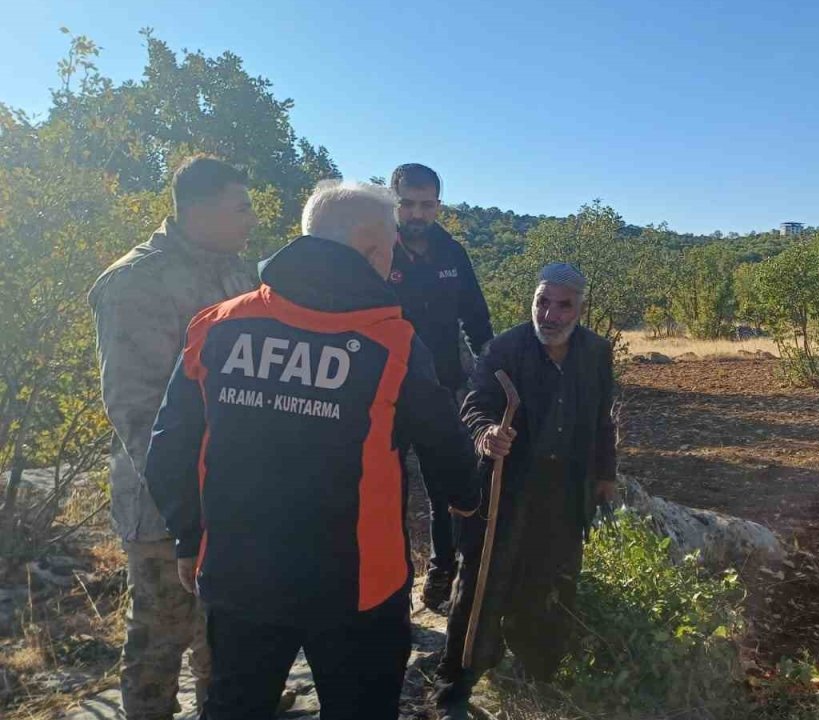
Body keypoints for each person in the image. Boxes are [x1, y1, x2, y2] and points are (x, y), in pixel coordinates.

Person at [144, 182, 481, 720]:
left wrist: (190, 535)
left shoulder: (218, 325)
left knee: (235, 707)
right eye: (390, 247)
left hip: (239, 575)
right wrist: (467, 501)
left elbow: (168, 447)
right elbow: (445, 445)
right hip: (359, 586)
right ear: (373, 249)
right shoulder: (392, 341)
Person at [89, 156, 258, 719]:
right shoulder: (136, 281)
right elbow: (135, 411)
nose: (251, 219)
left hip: (233, 496)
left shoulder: (238, 272)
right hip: (165, 505)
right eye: (241, 207)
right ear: (199, 210)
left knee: (226, 638)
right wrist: (190, 505)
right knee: (161, 641)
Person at [433, 263, 617, 720]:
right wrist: (487, 435)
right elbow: (475, 406)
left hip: (564, 489)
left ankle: (539, 675)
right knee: (481, 583)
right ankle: (456, 684)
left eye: (563, 305)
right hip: (505, 488)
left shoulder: (595, 351)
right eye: (542, 302)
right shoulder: (505, 348)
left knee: (549, 580)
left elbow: (602, 420)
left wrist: (604, 476)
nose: (550, 314)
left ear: (580, 308)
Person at [388, 163, 494, 612]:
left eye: (426, 205)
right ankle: (391, 582)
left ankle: (440, 572)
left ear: (438, 205)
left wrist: (493, 370)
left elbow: (475, 318)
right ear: (392, 202)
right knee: (386, 490)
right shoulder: (374, 249)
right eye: (408, 204)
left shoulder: (452, 253)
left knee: (445, 486)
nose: (417, 213)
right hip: (384, 393)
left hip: (441, 388)